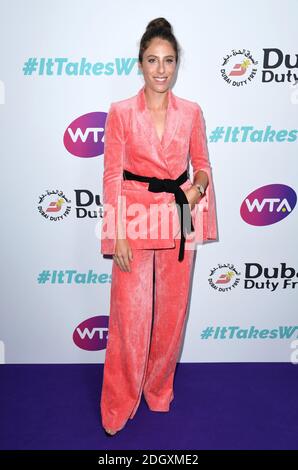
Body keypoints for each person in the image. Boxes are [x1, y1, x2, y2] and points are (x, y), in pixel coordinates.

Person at [99, 17, 218, 436]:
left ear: (177, 63)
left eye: (168, 60)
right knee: (130, 318)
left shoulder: (191, 112)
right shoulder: (120, 113)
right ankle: (118, 401)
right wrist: (118, 233)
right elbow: (113, 176)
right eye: (153, 60)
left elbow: (201, 167)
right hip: (133, 218)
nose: (161, 69)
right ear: (140, 63)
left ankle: (158, 390)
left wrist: (197, 189)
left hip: (179, 218)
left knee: (171, 316)